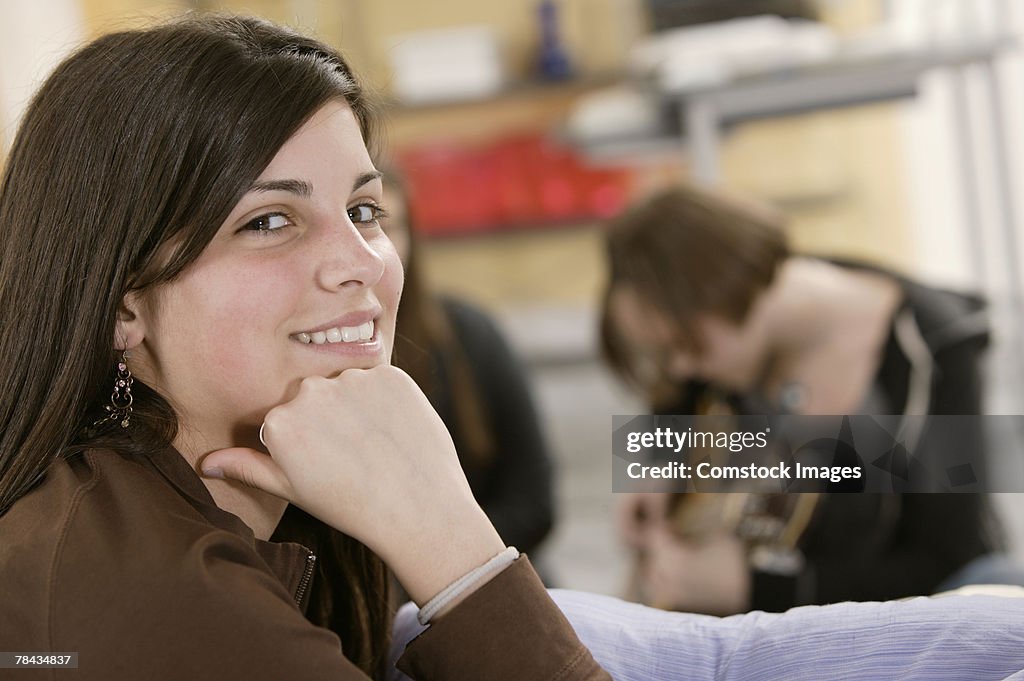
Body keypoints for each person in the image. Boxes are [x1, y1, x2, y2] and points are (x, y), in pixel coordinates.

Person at [1, 14, 1021, 681]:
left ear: (731, 291)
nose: (685, 371)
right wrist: (673, 495)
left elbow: (935, 531)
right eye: (271, 221)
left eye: (366, 210)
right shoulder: (718, 371)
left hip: (936, 560)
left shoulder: (928, 343)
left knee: (985, 611)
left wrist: (752, 575)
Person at [0, 16, 607, 680]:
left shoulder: (158, 510)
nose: (362, 262)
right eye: (268, 222)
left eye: (364, 211)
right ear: (123, 306)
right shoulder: (167, 603)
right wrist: (453, 546)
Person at [601, 184, 1007, 614]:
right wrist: (661, 469)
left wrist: (758, 589)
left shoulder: (934, 355)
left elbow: (947, 562)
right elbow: (677, 403)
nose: (682, 367)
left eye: (688, 346)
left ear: (730, 286)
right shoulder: (730, 329)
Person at [382, 174, 555, 559]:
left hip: (488, 579)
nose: (367, 246)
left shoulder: (468, 334)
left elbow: (535, 506)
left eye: (384, 224)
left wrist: (424, 568)